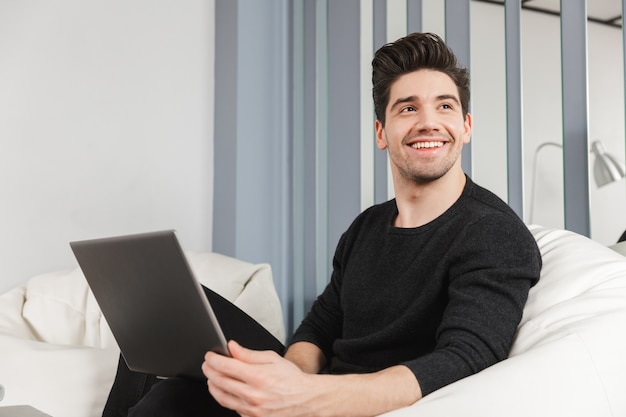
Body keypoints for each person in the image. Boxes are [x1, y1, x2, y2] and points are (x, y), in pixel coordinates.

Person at [104, 32, 542, 417]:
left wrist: (307, 397)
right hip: (311, 396)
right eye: (407, 108)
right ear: (380, 132)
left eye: (444, 106)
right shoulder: (366, 228)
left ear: (465, 126)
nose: (428, 121)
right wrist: (285, 378)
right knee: (164, 319)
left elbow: (464, 360)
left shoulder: (493, 233)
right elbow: (318, 329)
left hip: (349, 405)